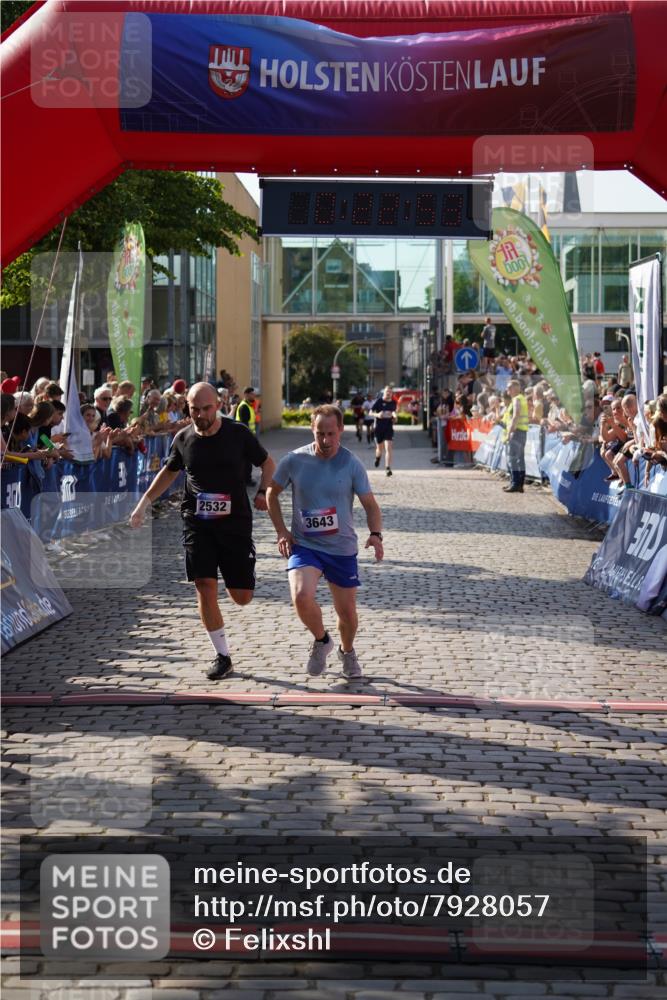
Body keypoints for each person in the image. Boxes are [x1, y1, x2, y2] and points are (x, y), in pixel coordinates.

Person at [130, 383, 275, 680]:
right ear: (187, 406)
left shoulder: (238, 434)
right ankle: (222, 656)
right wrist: (143, 503)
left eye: (206, 408)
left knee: (242, 596)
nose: (200, 415)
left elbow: (268, 463)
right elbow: (169, 471)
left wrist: (262, 492)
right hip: (197, 522)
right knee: (204, 586)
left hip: (235, 523)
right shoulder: (183, 438)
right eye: (194, 409)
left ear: (218, 405)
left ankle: (241, 575)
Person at [266, 404, 383, 679]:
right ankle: (321, 641)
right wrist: (282, 531)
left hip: (341, 549)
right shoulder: (295, 460)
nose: (326, 440)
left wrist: (375, 535)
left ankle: (347, 650)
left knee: (347, 614)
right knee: (301, 596)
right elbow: (272, 493)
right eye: (320, 434)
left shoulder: (351, 463)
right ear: (312, 429)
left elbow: (370, 504)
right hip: (306, 545)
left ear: (341, 430)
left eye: (331, 433)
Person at [503, 379, 529, 493]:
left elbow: (516, 414)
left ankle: (515, 483)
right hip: (522, 432)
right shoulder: (522, 398)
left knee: (513, 459)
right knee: (520, 459)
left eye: (509, 388)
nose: (507, 390)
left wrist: (510, 432)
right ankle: (519, 484)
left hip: (516, 432)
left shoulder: (517, 399)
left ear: (515, 388)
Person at [235, 386, 258, 485]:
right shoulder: (244, 406)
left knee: (247, 459)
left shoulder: (247, 405)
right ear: (246, 395)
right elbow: (244, 424)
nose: (254, 396)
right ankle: (246, 480)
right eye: (252, 394)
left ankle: (246, 479)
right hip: (243, 437)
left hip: (246, 436)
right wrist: (249, 438)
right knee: (246, 460)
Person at [372, 385, 397, 476]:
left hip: (388, 428)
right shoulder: (379, 401)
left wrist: (395, 417)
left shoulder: (393, 402)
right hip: (378, 428)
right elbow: (371, 412)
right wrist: (378, 415)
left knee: (388, 448)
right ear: (384, 392)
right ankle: (378, 458)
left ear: (392, 393)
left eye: (390, 392)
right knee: (379, 448)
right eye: (387, 391)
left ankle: (387, 468)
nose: (388, 393)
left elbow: (393, 412)